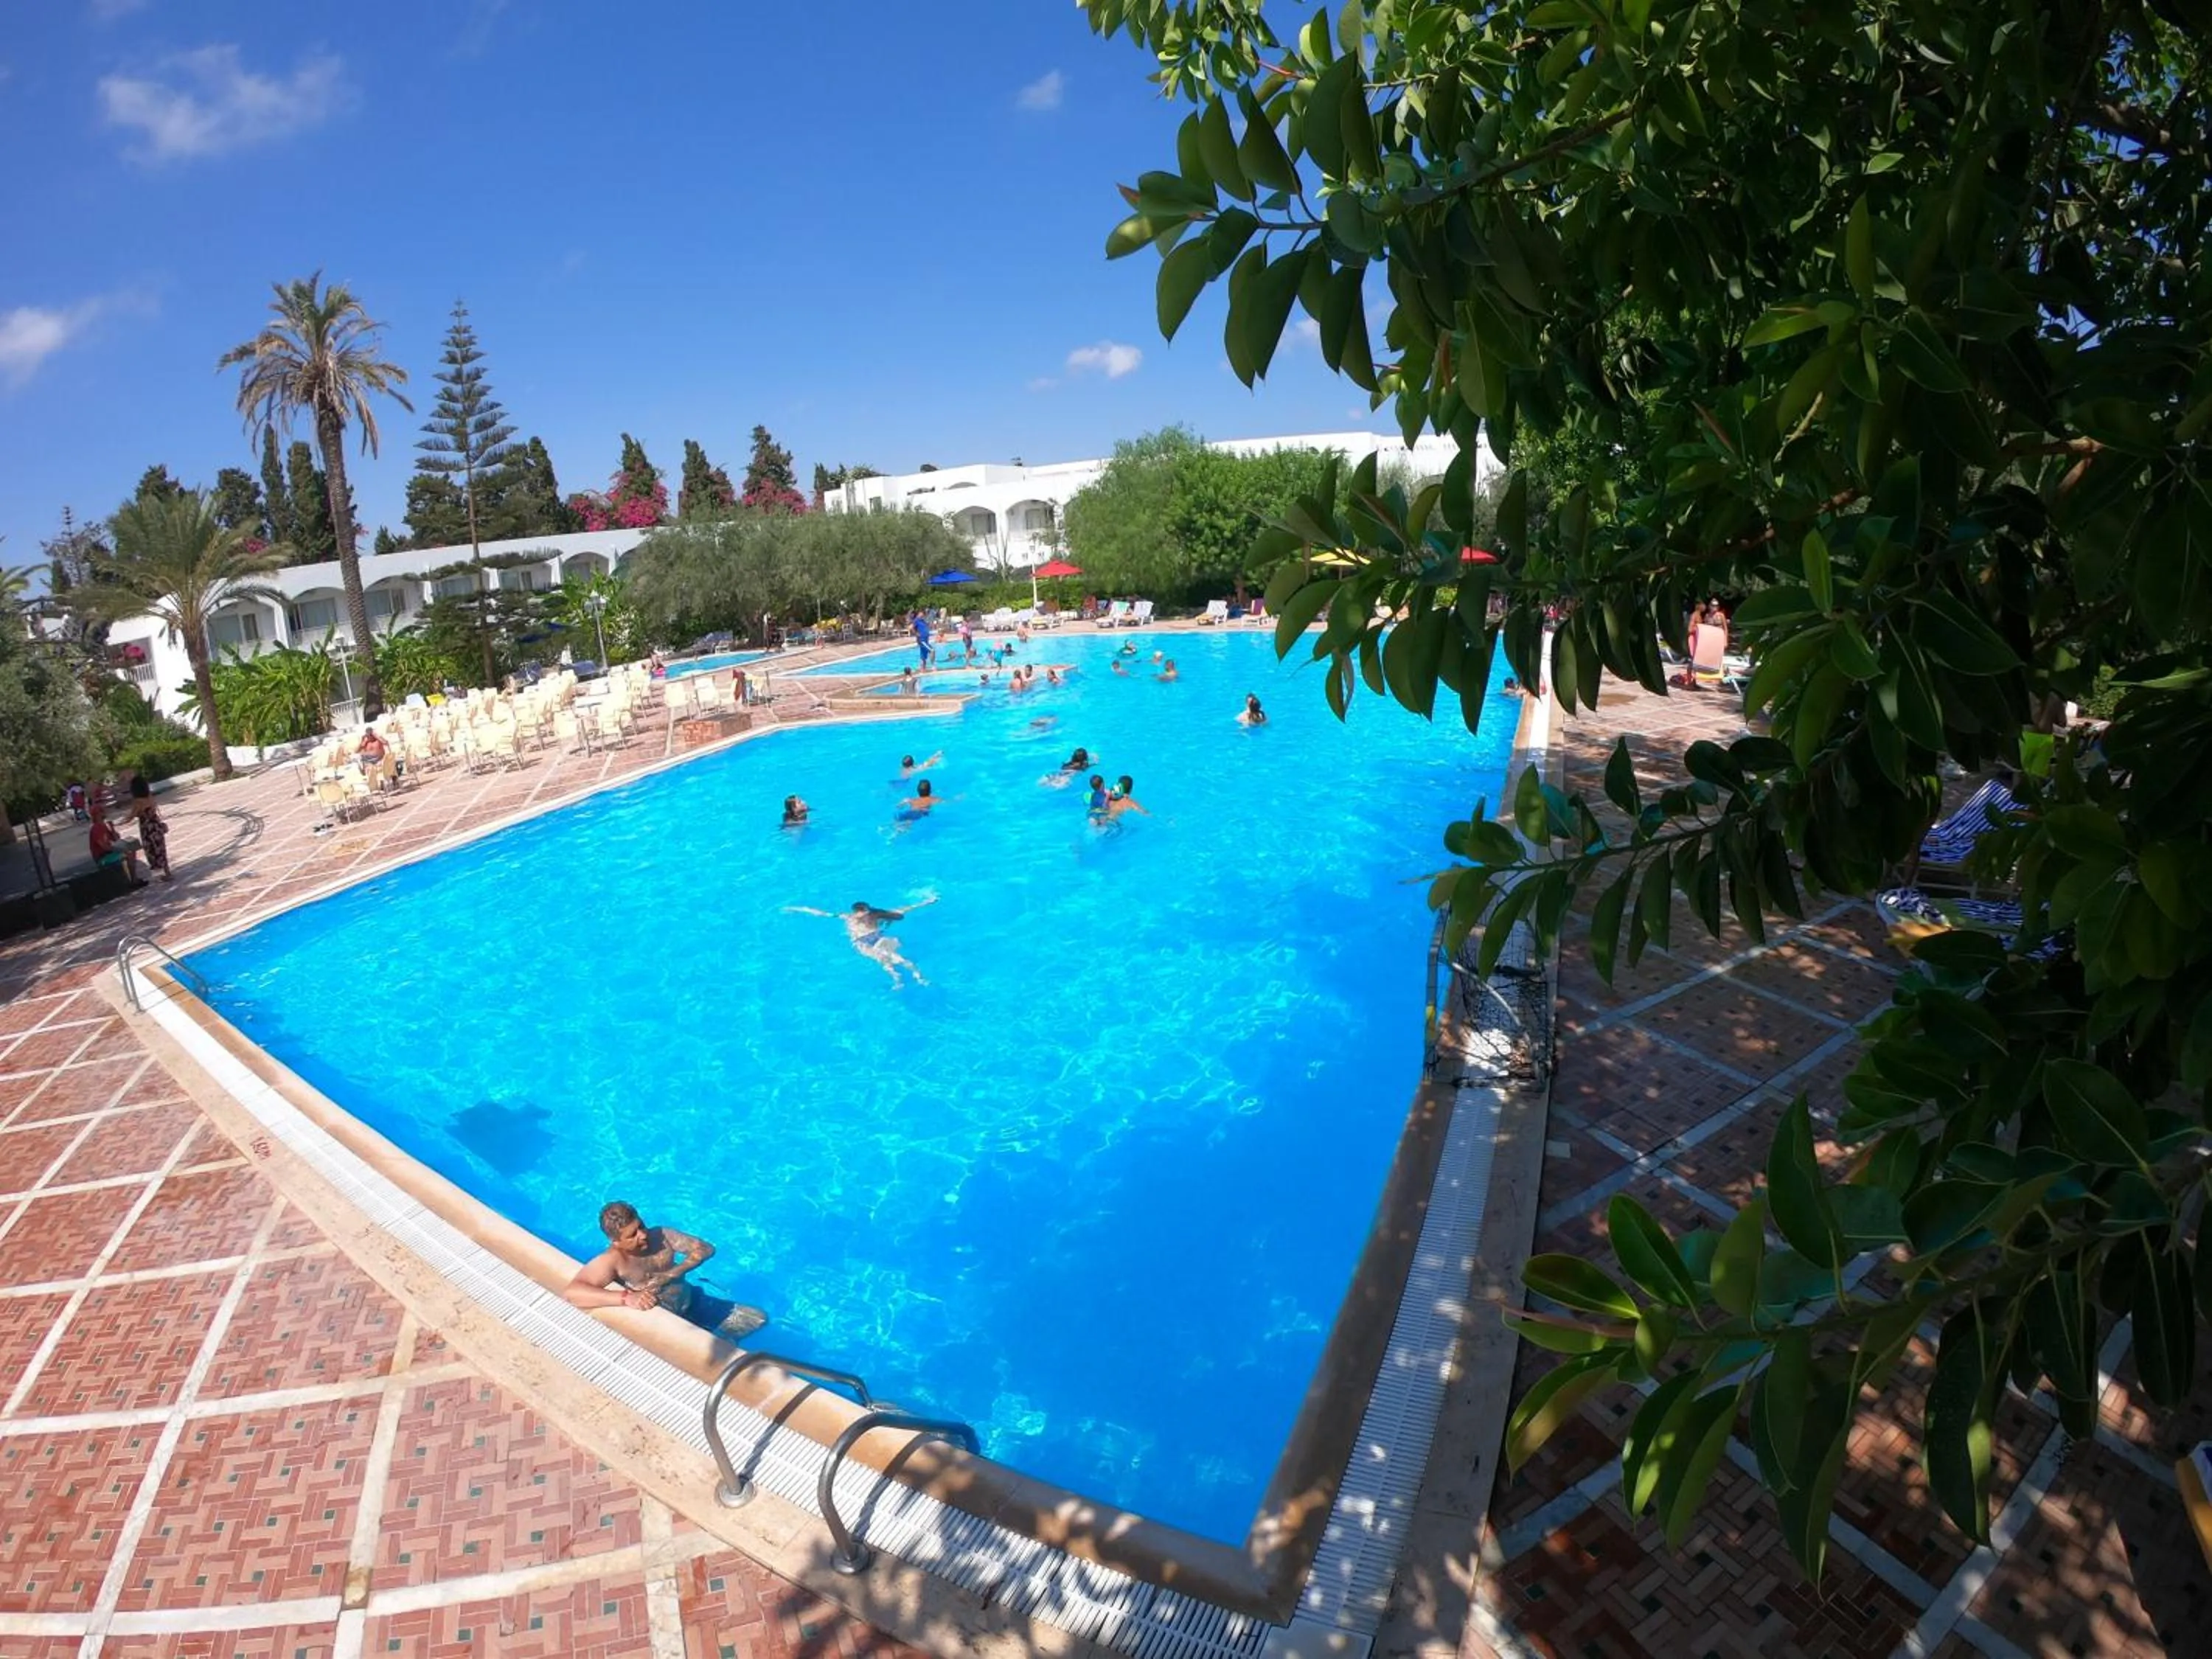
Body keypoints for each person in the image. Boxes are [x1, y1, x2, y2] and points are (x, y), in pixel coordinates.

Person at [563, 1201, 767, 1338]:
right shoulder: (612, 1261)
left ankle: (720, 1339)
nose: (642, 1235)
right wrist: (626, 1298)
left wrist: (674, 1273)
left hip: (692, 1302)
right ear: (615, 1241)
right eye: (632, 1234)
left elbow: (705, 1249)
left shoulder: (661, 1235)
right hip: (666, 1322)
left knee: (757, 1319)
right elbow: (573, 1293)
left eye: (641, 1225)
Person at [785, 894, 937, 987]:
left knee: (896, 958)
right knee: (884, 961)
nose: (866, 914)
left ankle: (918, 977)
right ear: (856, 912)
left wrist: (927, 902)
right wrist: (798, 909)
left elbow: (903, 910)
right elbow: (821, 913)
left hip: (877, 937)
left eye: (867, 911)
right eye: (863, 912)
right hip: (862, 942)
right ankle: (897, 978)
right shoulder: (846, 916)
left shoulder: (875, 914)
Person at [123, 775, 172, 881]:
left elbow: (131, 816)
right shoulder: (150, 797)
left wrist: (122, 821)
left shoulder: (138, 802)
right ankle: (167, 872)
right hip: (156, 825)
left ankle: (160, 875)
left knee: (152, 851)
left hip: (147, 829)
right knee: (161, 849)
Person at [88, 813, 147, 887]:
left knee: (131, 849)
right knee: (129, 854)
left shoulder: (103, 826)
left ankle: (133, 878)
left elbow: (116, 839)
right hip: (102, 857)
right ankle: (134, 880)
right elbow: (104, 847)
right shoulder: (96, 828)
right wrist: (121, 850)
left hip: (108, 853)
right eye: (101, 811)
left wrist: (112, 829)